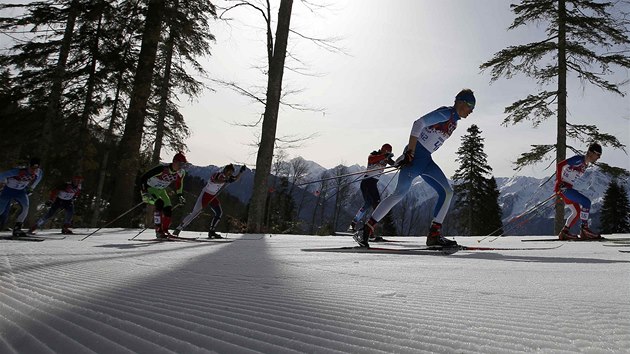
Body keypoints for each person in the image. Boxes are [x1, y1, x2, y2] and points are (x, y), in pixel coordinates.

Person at [354, 89, 476, 248]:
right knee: (399, 193)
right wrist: (410, 152)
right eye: (471, 106)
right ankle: (366, 230)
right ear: (461, 102)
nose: (471, 111)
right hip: (416, 158)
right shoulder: (446, 113)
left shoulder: (454, 121)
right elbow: (418, 123)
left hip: (426, 161)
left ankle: (434, 235)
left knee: (447, 191)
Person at [173, 164, 246, 238]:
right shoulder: (218, 174)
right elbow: (216, 181)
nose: (230, 174)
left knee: (219, 213)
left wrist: (241, 171)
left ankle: (211, 232)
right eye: (229, 173)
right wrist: (226, 180)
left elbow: (236, 179)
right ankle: (179, 228)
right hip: (205, 195)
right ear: (225, 171)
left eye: (231, 173)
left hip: (213, 196)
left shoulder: (227, 177)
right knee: (195, 213)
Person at [347, 143, 396, 242]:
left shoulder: (385, 158)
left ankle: (355, 224)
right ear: (383, 150)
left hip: (373, 183)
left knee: (369, 203)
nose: (388, 153)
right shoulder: (374, 155)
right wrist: (385, 156)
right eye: (387, 151)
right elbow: (371, 160)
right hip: (367, 181)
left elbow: (394, 164)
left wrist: (401, 163)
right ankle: (368, 230)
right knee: (376, 205)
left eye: (389, 152)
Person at [555, 143, 602, 240]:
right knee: (586, 202)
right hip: (564, 187)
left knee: (576, 212)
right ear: (590, 152)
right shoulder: (579, 159)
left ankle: (564, 232)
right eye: (598, 154)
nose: (598, 157)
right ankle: (584, 230)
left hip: (566, 187)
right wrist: (559, 183)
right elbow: (560, 165)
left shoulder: (585, 164)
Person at [139, 153, 187, 238]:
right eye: (180, 163)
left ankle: (165, 230)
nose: (181, 166)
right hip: (150, 189)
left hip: (161, 190)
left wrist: (180, 195)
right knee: (160, 203)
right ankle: (158, 231)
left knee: (168, 208)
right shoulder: (162, 168)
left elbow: (179, 184)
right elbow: (143, 178)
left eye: (183, 164)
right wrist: (144, 191)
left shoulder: (181, 172)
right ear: (174, 162)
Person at [0, 158, 43, 236]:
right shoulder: (17, 171)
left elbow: (38, 179)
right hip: (8, 191)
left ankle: (17, 229)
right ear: (28, 166)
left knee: (25, 207)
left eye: (36, 168)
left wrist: (31, 188)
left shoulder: (39, 172)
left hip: (20, 191)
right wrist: (3, 182)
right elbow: (2, 175)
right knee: (1, 210)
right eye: (32, 168)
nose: (34, 170)